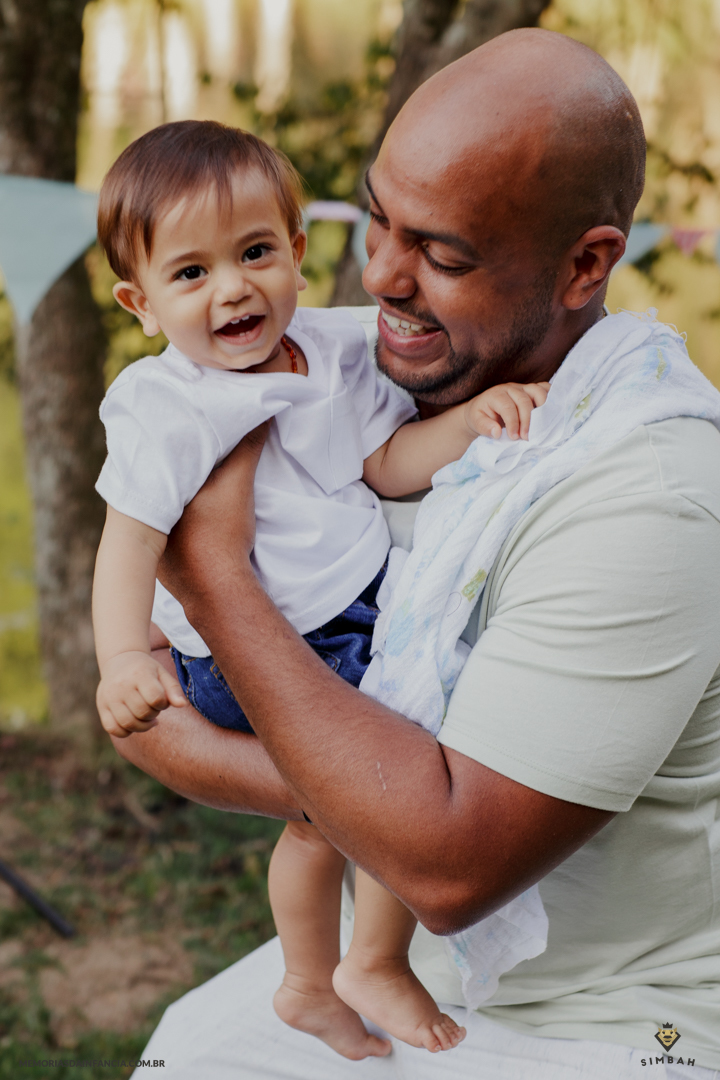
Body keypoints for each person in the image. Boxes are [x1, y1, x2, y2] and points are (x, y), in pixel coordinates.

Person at [116, 28, 720, 1080]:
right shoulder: (358, 366)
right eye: (377, 220)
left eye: (443, 254)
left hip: (612, 1015)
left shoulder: (649, 497)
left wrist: (213, 573)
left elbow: (444, 863)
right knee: (185, 1059)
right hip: (399, 960)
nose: (382, 277)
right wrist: (355, 795)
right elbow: (149, 726)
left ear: (586, 263)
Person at [92, 120, 550, 1060]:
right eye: (190, 275)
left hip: (360, 617)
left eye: (255, 252)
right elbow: (128, 542)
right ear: (140, 304)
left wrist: (468, 420)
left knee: (332, 814)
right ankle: (363, 963)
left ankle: (312, 979)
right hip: (260, 648)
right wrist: (115, 663)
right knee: (373, 788)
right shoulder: (171, 406)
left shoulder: (336, 352)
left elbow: (383, 465)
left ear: (298, 253)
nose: (233, 288)